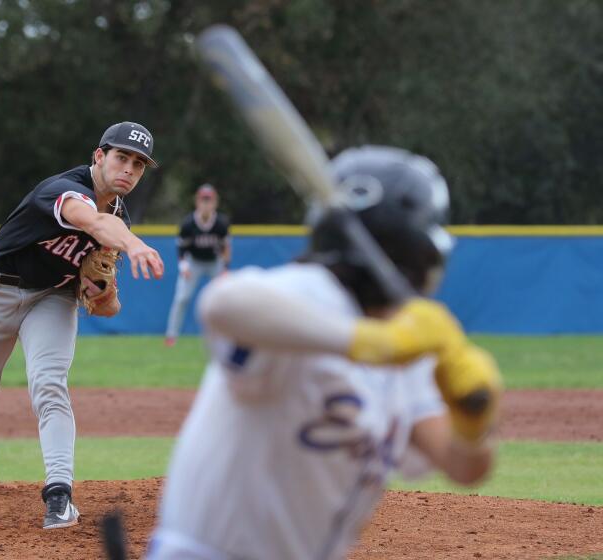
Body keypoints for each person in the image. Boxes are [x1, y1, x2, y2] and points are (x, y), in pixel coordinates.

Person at [147, 146, 502, 559]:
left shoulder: (406, 337)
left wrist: (473, 421)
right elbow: (221, 305)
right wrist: (367, 343)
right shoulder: (306, 295)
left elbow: (463, 467)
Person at [0, 121, 164, 530]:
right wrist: (134, 245)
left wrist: (103, 294)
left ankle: (59, 495)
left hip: (52, 297)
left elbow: (109, 307)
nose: (129, 169)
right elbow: (94, 222)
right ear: (98, 156)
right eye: (121, 157)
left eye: (139, 164)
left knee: (49, 385)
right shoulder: (62, 191)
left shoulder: (120, 219)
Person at [164, 184, 231, 347]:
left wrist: (225, 269)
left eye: (209, 200)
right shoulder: (188, 224)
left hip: (214, 262)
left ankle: (227, 336)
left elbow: (226, 248)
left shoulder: (221, 223)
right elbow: (181, 249)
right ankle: (171, 336)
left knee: (224, 298)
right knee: (182, 297)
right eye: (203, 200)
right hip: (193, 262)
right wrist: (184, 267)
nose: (206, 204)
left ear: (215, 202)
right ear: (197, 202)